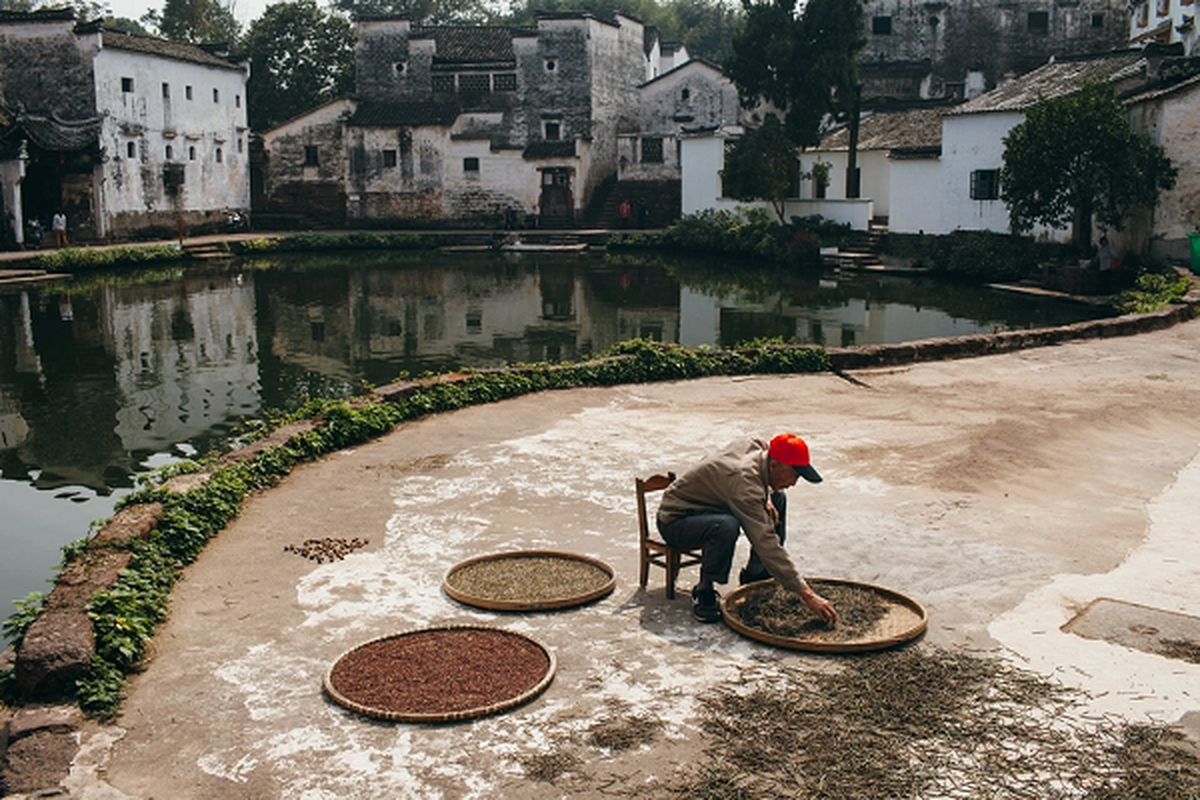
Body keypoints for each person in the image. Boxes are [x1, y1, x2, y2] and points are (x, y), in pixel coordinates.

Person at [656, 433, 837, 624]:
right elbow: (765, 541)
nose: (794, 483)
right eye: (794, 475)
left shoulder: (757, 447)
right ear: (774, 466)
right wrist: (807, 594)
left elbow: (757, 476)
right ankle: (704, 589)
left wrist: (766, 496)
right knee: (726, 526)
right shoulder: (744, 483)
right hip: (677, 520)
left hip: (713, 503)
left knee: (779, 497)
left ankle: (757, 573)